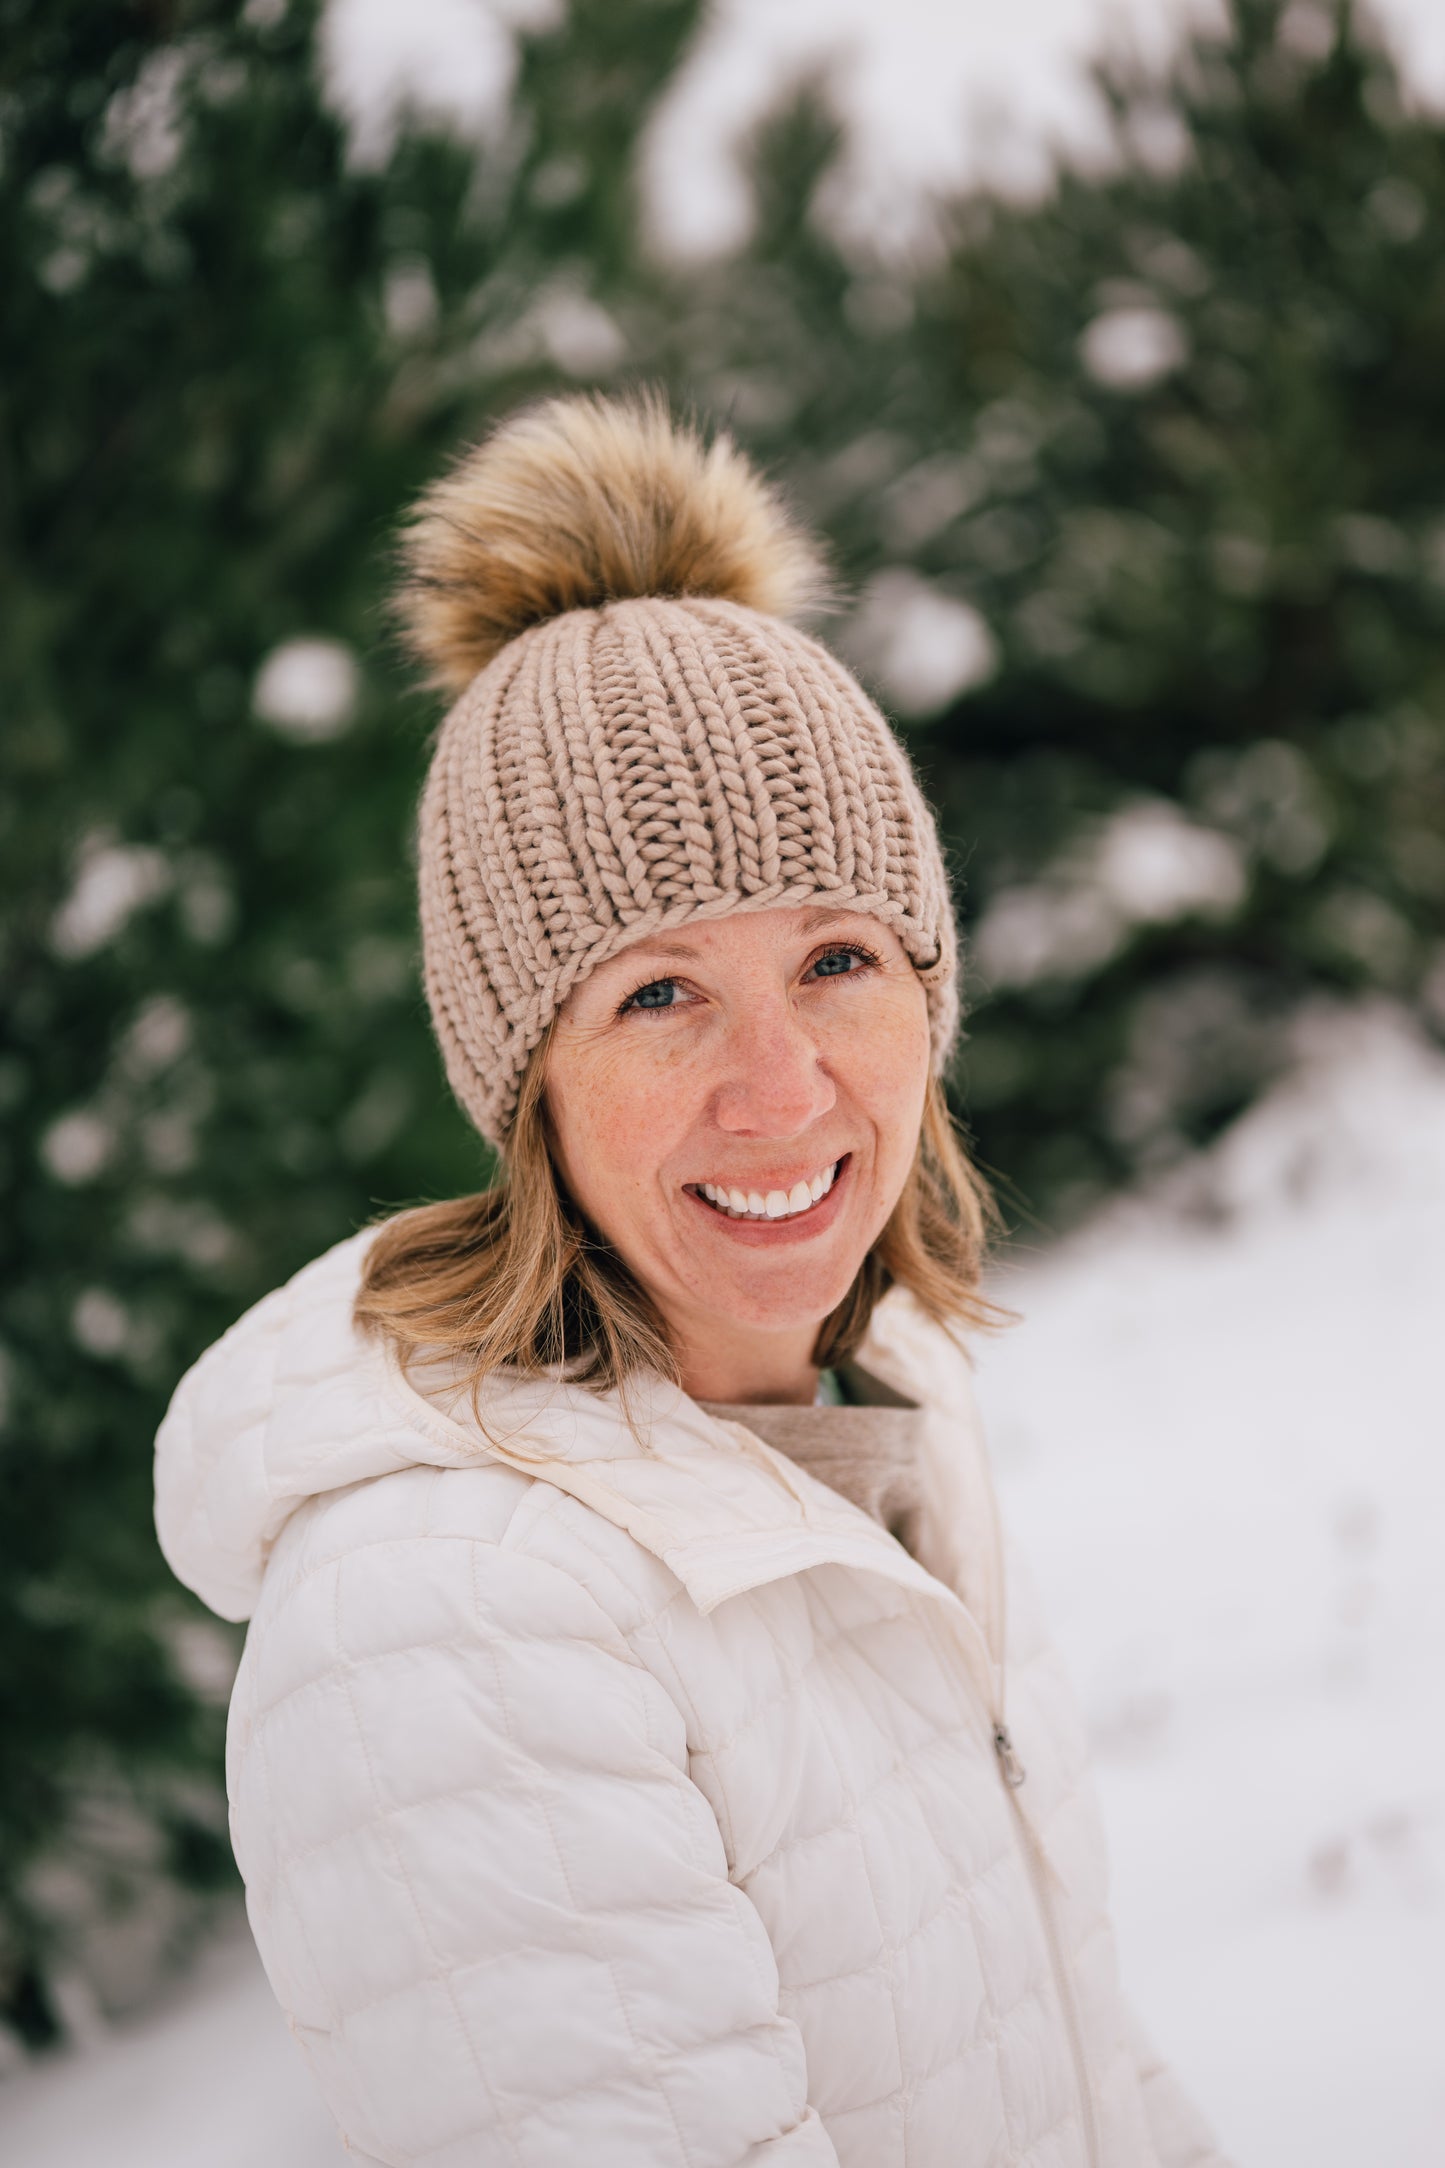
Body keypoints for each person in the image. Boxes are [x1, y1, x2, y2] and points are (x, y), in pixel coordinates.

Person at [154, 392, 1229, 2167]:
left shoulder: (880, 1407)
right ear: (525, 1085)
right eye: (657, 994)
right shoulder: (448, 1616)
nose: (785, 1086)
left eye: (835, 957)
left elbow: (1073, 2054)